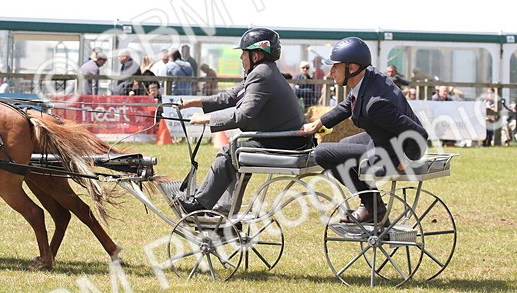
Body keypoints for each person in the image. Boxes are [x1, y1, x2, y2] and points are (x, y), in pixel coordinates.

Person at [177, 28, 309, 214]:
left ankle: (201, 204)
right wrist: (193, 102)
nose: (241, 58)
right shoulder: (263, 72)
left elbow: (243, 116)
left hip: (283, 143)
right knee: (237, 153)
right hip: (286, 140)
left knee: (231, 151)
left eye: (243, 53)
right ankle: (225, 208)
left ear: (256, 55)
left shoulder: (261, 75)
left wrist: (205, 119)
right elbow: (230, 96)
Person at [300, 36, 428, 223]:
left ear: (351, 68)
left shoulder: (375, 104)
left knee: (322, 153)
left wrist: (406, 159)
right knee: (343, 145)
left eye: (336, 66)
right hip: (383, 139)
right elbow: (349, 104)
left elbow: (419, 134)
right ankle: (371, 206)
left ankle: (373, 208)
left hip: (391, 152)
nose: (331, 72)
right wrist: (319, 123)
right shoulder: (369, 77)